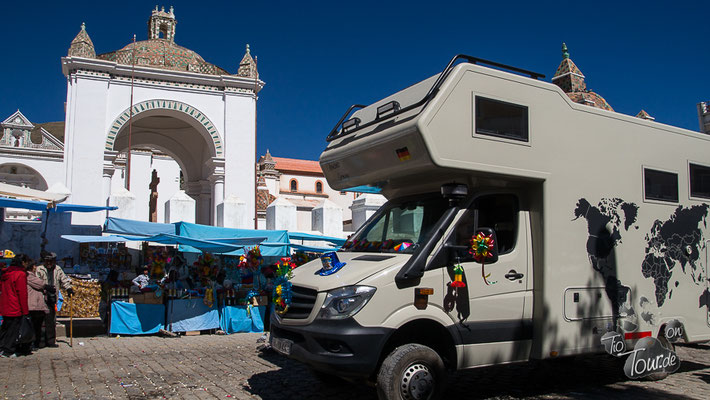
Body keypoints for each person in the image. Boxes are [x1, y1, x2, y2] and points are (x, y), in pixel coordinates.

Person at [36, 252, 73, 348]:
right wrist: (45, 287)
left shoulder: (57, 269)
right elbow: (37, 282)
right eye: (47, 261)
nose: (49, 263)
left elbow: (63, 279)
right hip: (41, 297)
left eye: (51, 261)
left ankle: (51, 340)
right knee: (40, 320)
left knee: (51, 320)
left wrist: (68, 288)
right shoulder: (39, 269)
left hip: (52, 297)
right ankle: (40, 340)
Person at [0, 254, 30, 357]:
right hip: (15, 306)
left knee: (5, 328)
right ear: (23, 263)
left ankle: (2, 348)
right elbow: (22, 293)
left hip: (5, 305)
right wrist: (25, 311)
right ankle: (8, 350)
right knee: (13, 330)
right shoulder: (20, 274)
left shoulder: (6, 273)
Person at [25, 259, 48, 351]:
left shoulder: (31, 275)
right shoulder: (28, 276)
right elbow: (41, 284)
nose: (36, 267)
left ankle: (36, 343)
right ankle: (32, 343)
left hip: (36, 304)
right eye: (34, 266)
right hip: (33, 304)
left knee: (37, 325)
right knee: (34, 326)